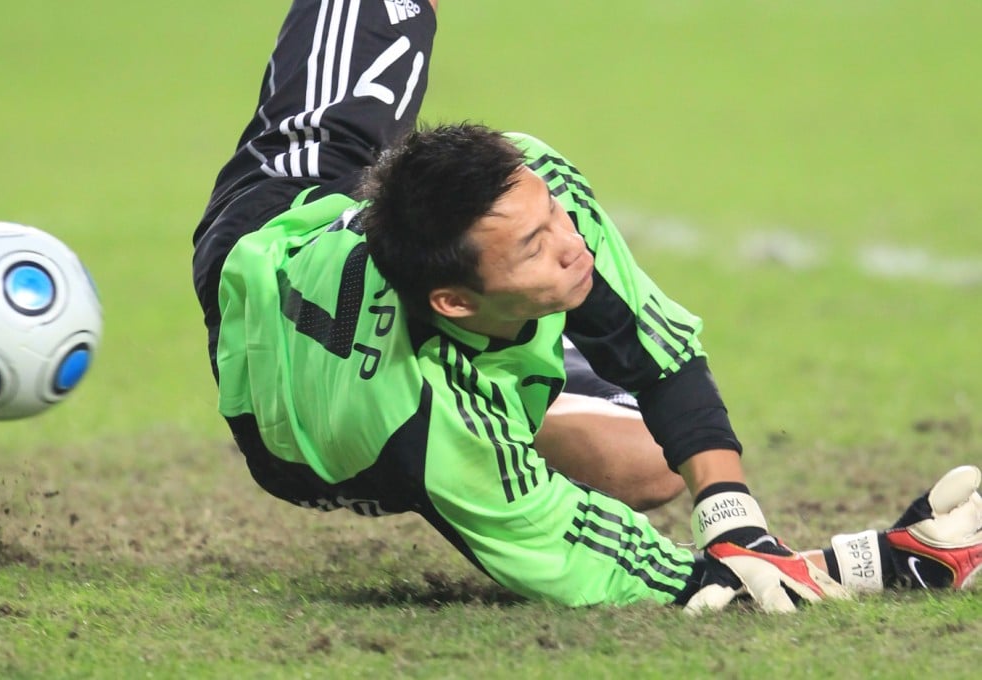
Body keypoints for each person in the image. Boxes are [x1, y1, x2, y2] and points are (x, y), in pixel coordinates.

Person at [191, 0, 982, 611]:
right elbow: (678, 583)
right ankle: (513, 379)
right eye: (532, 247)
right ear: (454, 300)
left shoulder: (530, 180)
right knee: (631, 470)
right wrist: (888, 564)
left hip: (356, 228)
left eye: (550, 219)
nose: (570, 245)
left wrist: (733, 516)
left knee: (655, 470)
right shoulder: (428, 432)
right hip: (269, 289)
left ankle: (518, 347)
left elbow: (653, 345)